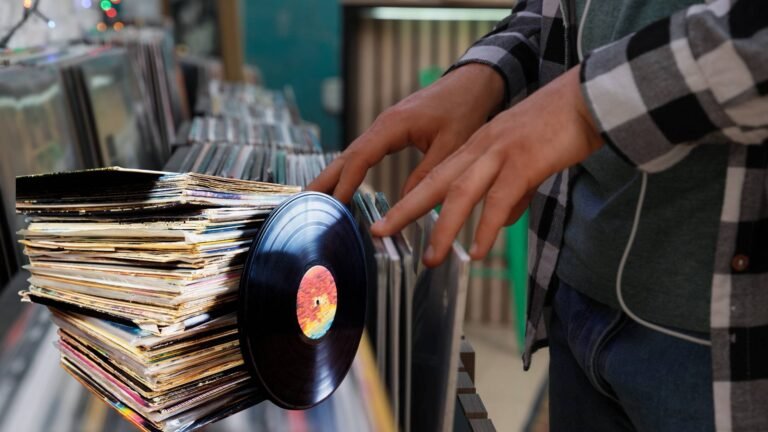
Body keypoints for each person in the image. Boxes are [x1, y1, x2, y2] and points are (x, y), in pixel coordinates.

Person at [309, 0, 767, 430]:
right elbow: (562, 13)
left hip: (720, 338)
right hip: (577, 295)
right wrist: (487, 72)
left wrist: (587, 103)